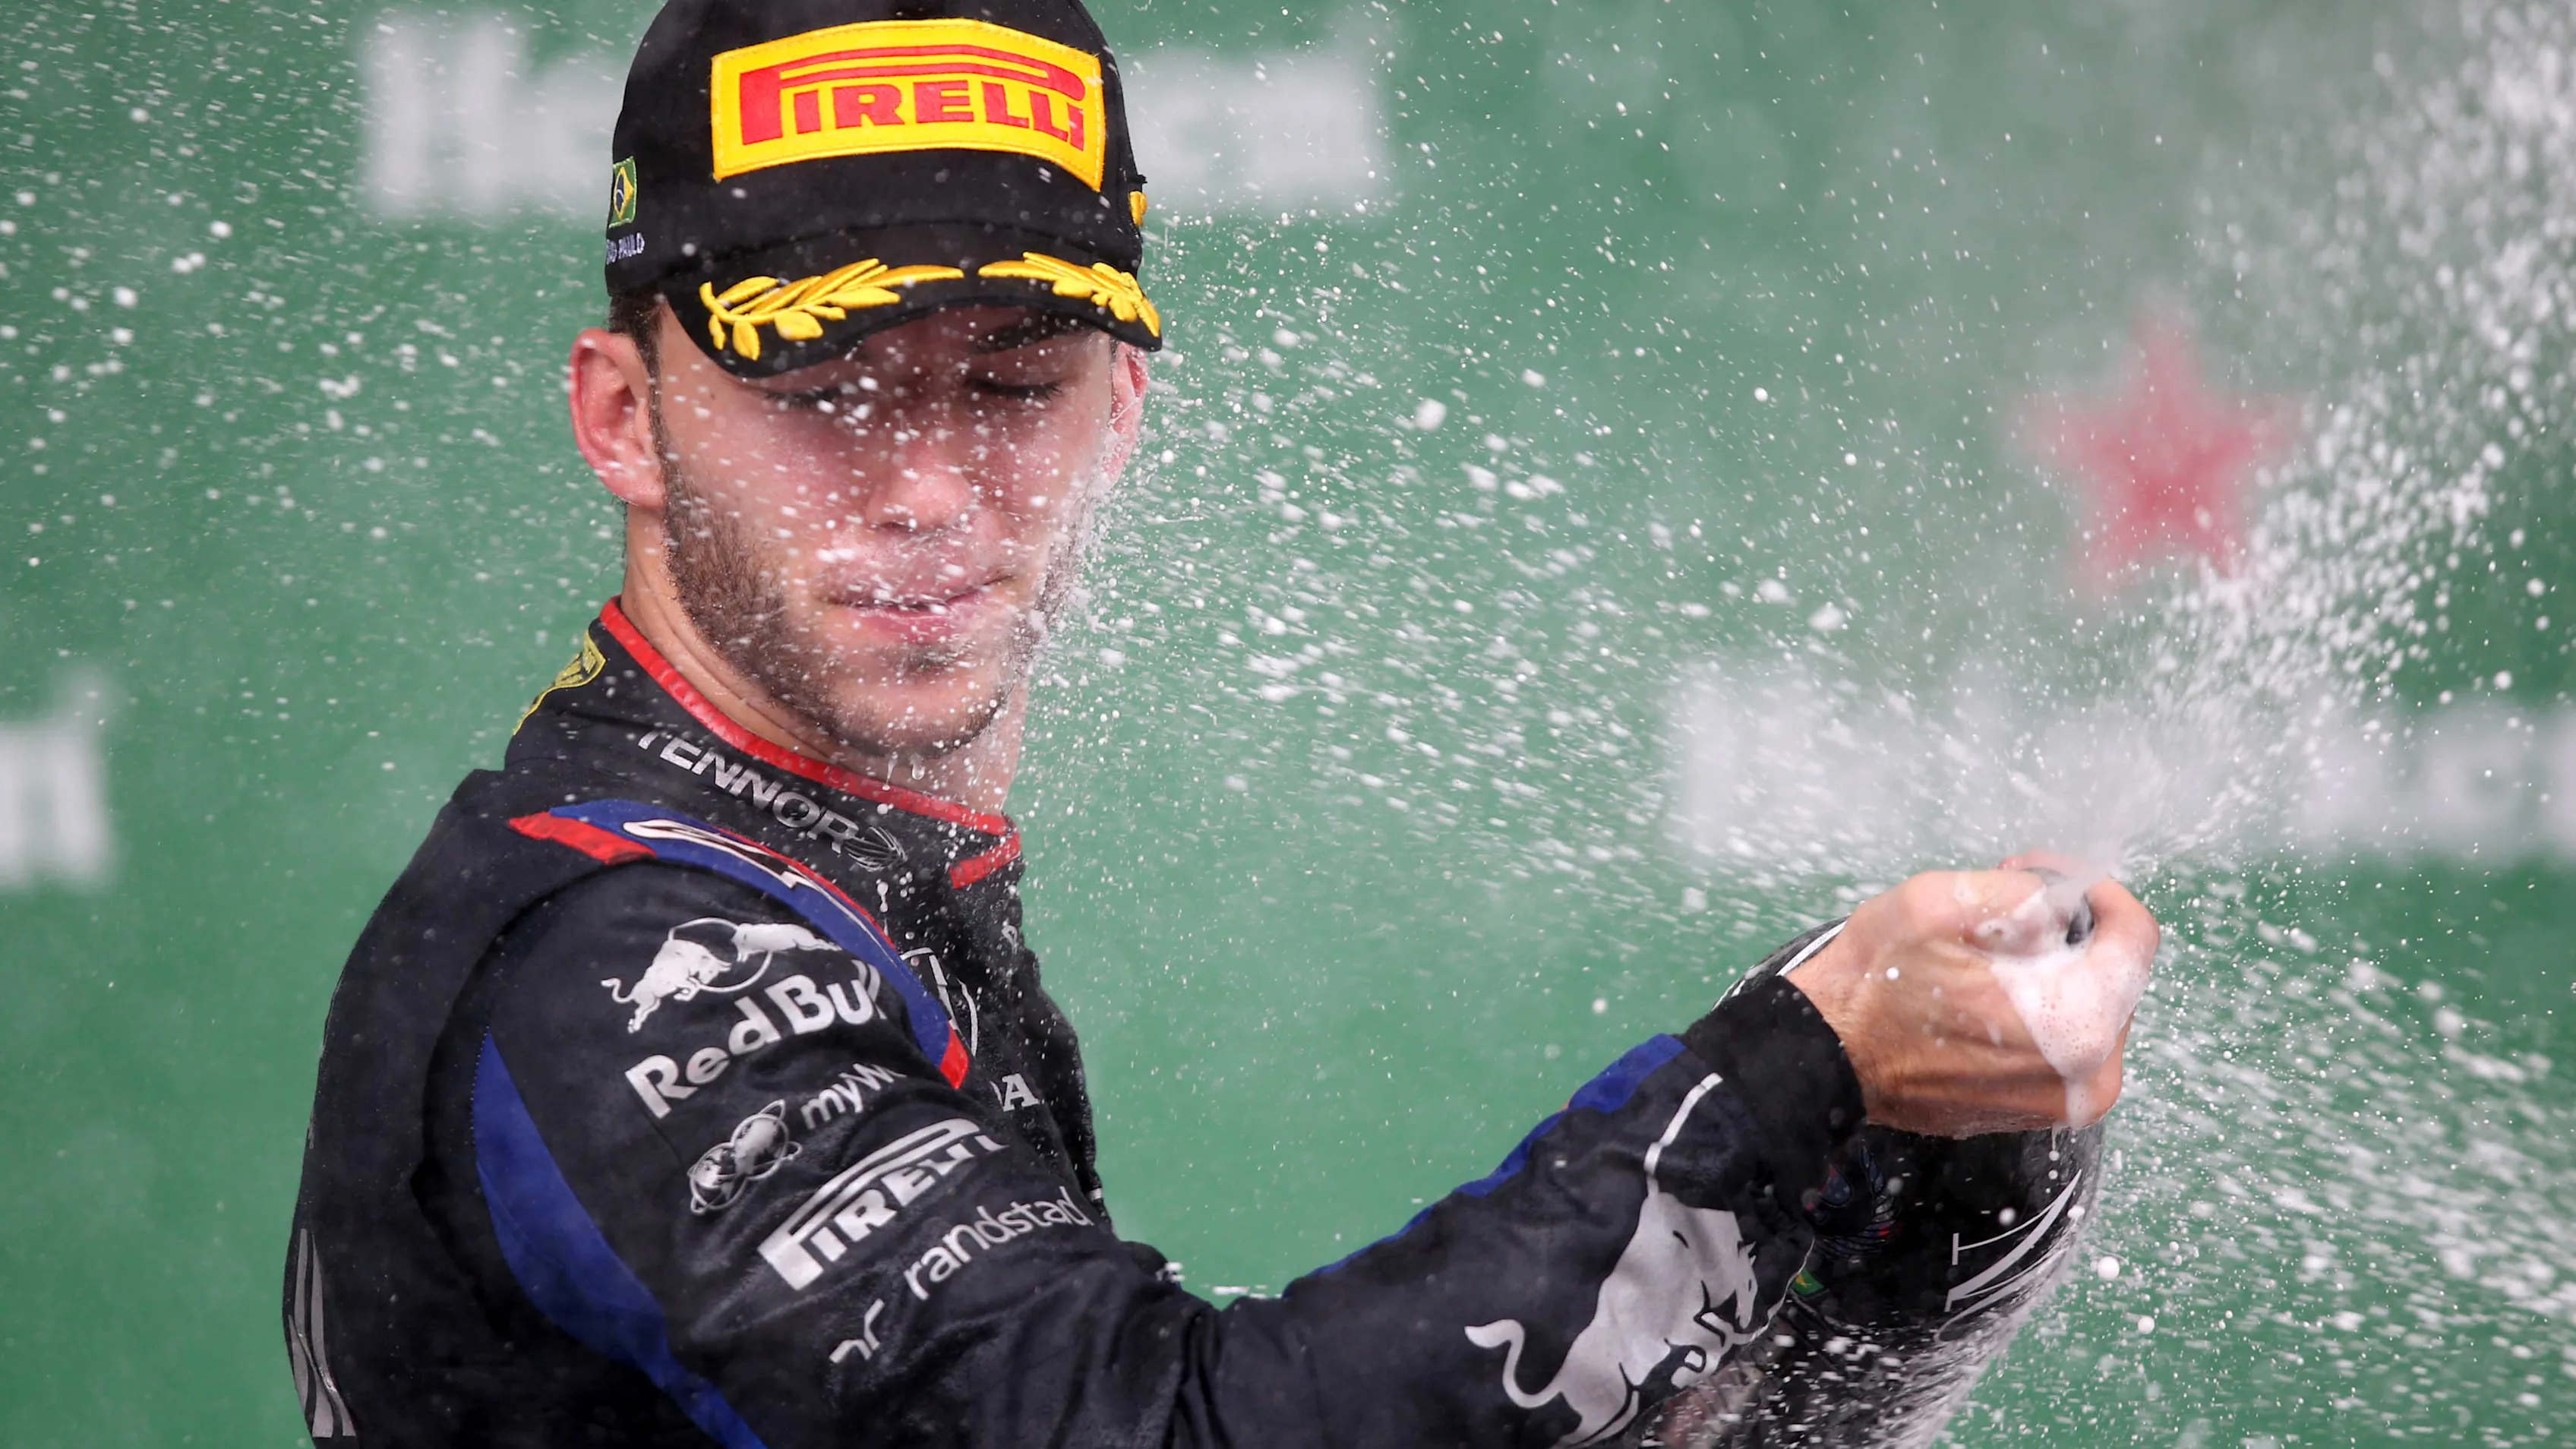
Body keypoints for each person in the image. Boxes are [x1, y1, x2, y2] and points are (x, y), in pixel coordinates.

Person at [281, 0, 2161, 1444]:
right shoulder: (621, 956)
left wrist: (1897, 1157)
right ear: (623, 417)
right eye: (831, 387)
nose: (932, 485)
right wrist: (1789, 1075)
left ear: (1119, 417)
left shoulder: (820, 868)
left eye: (1014, 385)